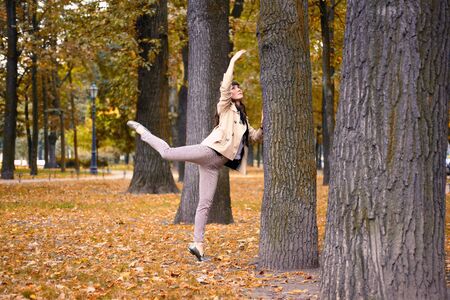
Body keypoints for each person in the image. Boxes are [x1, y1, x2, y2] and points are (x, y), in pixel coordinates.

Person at [127, 49, 263, 261]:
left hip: (214, 165)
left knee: (205, 203)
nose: (237, 89)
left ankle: (198, 245)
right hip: (208, 151)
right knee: (166, 153)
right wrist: (233, 60)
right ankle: (144, 133)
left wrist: (265, 124)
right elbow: (225, 87)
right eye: (235, 88)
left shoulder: (243, 119)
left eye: (238, 87)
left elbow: (254, 137)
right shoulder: (225, 108)